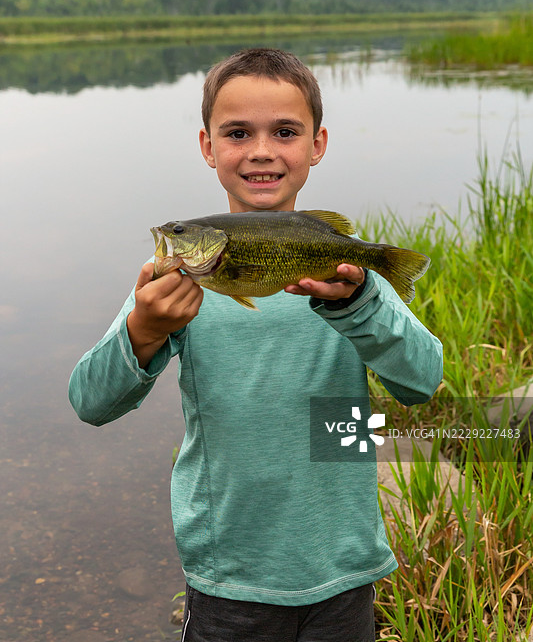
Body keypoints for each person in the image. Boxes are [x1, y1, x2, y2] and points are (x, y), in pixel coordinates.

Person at [69, 47, 443, 642]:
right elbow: (89, 402)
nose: (262, 150)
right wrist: (145, 329)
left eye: (286, 132)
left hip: (345, 566)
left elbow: (423, 380)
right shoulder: (173, 284)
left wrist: (357, 304)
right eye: (238, 132)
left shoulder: (350, 277)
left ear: (317, 145)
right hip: (228, 576)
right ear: (207, 146)